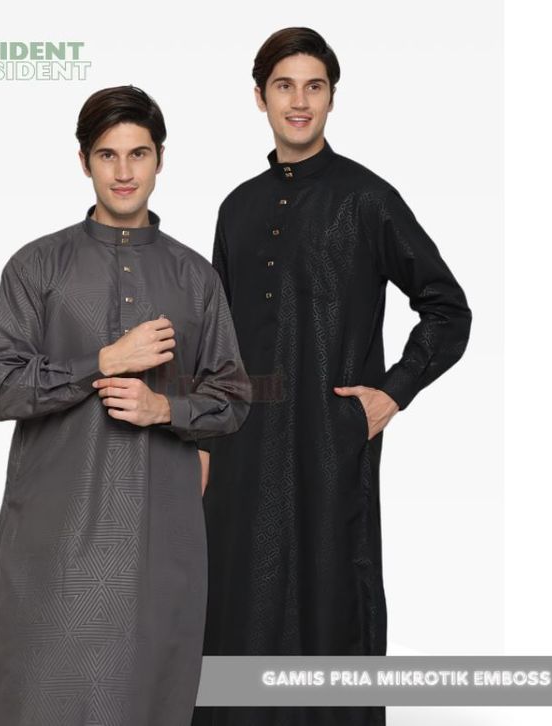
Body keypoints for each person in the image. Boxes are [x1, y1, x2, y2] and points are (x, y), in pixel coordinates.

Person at [192, 28, 472, 726]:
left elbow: (447, 308)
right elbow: (214, 341)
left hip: (328, 447)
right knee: (234, 615)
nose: (299, 101)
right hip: (239, 455)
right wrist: (200, 442)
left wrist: (393, 392)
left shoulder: (367, 199)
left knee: (331, 611)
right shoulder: (237, 208)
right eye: (284, 86)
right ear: (259, 97)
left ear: (332, 98)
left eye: (314, 86)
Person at [0, 85, 251, 726]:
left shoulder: (194, 277)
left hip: (158, 546)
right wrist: (102, 360)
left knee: (147, 701)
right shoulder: (37, 267)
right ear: (84, 162)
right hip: (50, 544)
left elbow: (234, 396)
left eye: (139, 154)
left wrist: (165, 410)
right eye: (107, 155)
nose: (124, 172)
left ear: (160, 159)